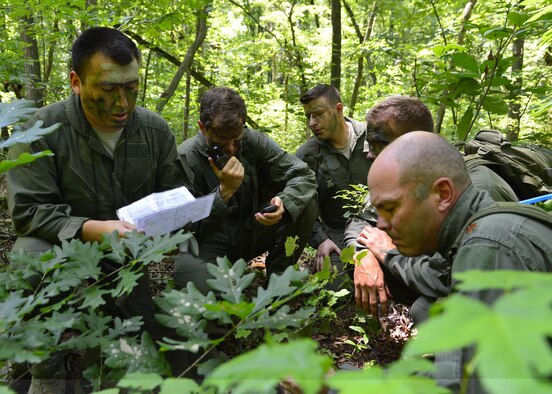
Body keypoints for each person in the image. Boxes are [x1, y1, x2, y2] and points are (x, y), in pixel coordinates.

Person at [7, 27, 184, 393]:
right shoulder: (39, 129)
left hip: (125, 257)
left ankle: (99, 367)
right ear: (76, 81)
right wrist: (91, 228)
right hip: (60, 249)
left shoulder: (155, 131)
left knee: (132, 356)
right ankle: (45, 372)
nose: (122, 103)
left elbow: (172, 197)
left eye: (132, 88)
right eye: (108, 90)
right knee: (30, 258)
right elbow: (28, 211)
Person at [366, 131, 552, 392]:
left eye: (390, 208)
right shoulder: (490, 229)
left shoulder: (489, 246)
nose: (381, 225)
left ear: (443, 194)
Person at [344, 96, 519, 319]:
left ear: (414, 141)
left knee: (427, 312)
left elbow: (451, 275)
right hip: (432, 266)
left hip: (493, 288)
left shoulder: (478, 188)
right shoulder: (404, 176)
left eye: (379, 144)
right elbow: (360, 221)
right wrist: (362, 255)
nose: (369, 154)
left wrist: (388, 254)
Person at [173, 87, 318, 292]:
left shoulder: (253, 141)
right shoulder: (186, 158)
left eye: (236, 139)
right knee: (192, 286)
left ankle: (279, 281)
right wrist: (224, 192)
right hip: (209, 244)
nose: (232, 148)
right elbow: (179, 225)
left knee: (306, 202)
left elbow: (303, 175)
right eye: (222, 141)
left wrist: (283, 202)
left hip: (252, 230)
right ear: (202, 128)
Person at [295, 84, 370, 287]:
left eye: (318, 114)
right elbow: (299, 204)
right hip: (336, 235)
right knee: (339, 288)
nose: (312, 123)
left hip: (379, 228)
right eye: (308, 116)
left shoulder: (372, 139)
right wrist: (320, 239)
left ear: (339, 109)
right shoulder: (307, 155)